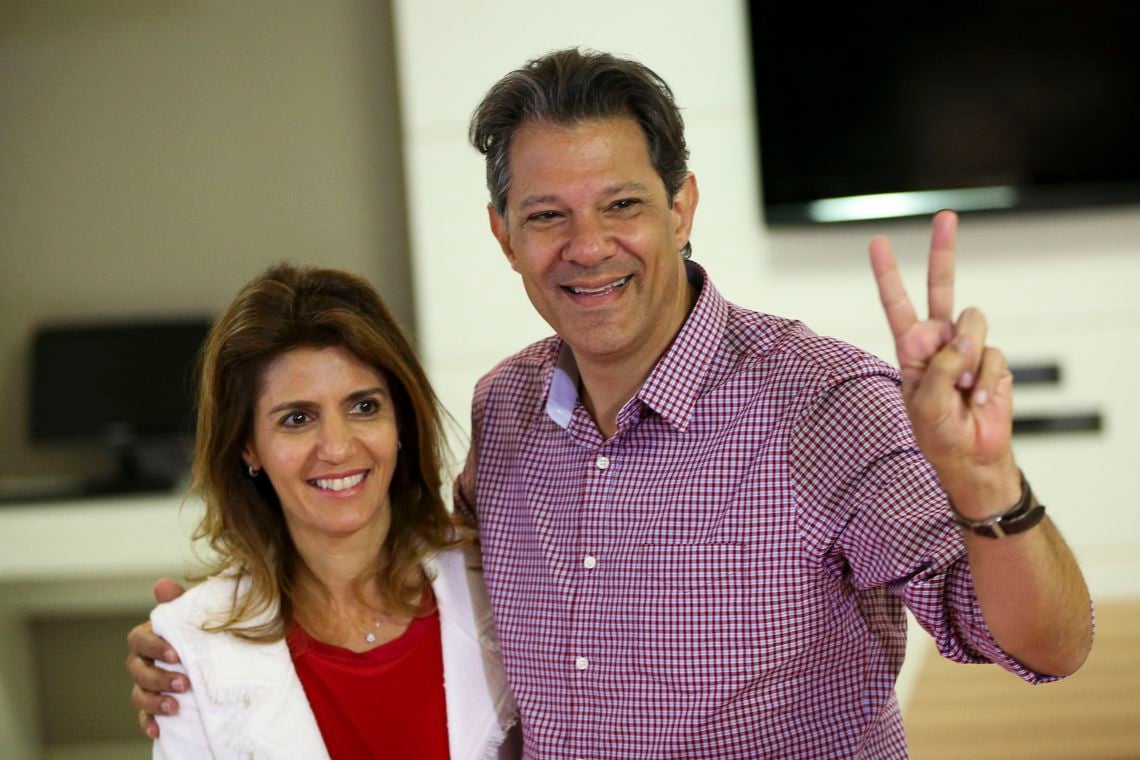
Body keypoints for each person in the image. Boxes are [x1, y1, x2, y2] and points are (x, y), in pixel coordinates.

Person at [130, 49, 1093, 758]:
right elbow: (410, 585)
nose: (587, 246)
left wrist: (986, 484)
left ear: (682, 206)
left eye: (622, 205)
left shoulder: (824, 403)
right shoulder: (504, 412)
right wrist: (216, 648)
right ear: (504, 236)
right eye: (548, 216)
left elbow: (1047, 648)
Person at [142, 264, 518, 758]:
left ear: (400, 421)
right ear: (248, 447)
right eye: (297, 419)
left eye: (364, 407)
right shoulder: (189, 642)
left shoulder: (500, 581)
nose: (337, 448)